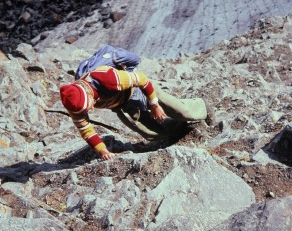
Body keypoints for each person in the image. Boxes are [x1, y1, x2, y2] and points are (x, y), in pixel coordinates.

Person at [59, 63, 211, 160]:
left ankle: (202, 106)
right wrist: (103, 151)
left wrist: (154, 104)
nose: (90, 109)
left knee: (181, 111)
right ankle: (181, 129)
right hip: (123, 105)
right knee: (152, 134)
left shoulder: (108, 79)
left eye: (89, 105)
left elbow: (142, 79)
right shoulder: (74, 104)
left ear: (88, 93)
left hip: (140, 90)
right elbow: (86, 130)